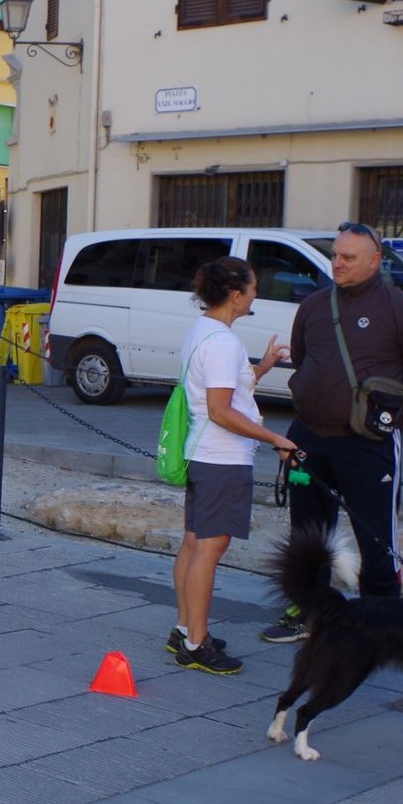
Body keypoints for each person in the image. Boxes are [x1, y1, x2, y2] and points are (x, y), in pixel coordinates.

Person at [260, 221, 403, 642]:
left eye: (348, 257)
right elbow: (303, 358)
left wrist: (396, 415)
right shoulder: (314, 306)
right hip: (309, 438)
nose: (337, 263)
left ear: (375, 260)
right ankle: (309, 611)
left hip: (367, 444)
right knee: (308, 532)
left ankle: (381, 621)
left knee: (376, 535)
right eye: (335, 255)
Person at [170, 258, 297, 674]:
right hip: (222, 457)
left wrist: (262, 367)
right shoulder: (223, 343)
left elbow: (225, 390)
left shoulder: (203, 330)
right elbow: (221, 410)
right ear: (236, 295)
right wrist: (275, 438)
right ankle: (196, 643)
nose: (256, 295)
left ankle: (185, 629)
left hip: (201, 452)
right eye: (253, 288)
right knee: (209, 548)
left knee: (194, 542)